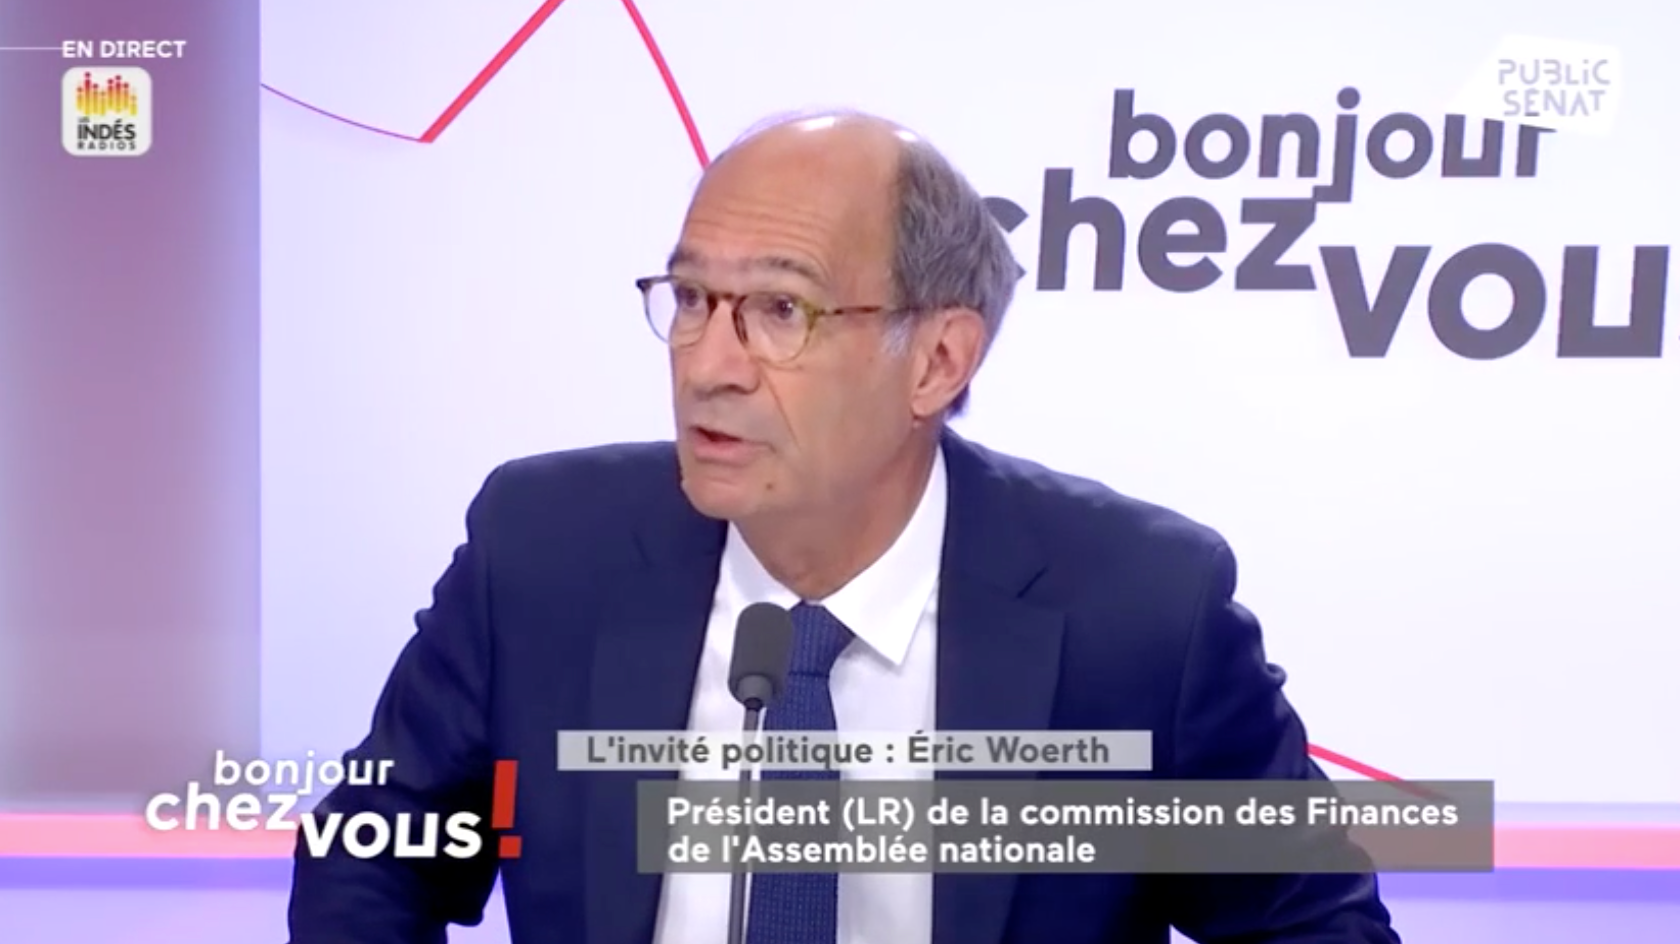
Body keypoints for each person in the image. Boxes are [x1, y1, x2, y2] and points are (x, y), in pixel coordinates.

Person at [287, 110, 1399, 944]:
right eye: (690, 300)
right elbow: (371, 852)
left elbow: (1314, 925)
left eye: (782, 310)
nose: (709, 365)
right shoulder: (542, 552)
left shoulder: (1141, 611)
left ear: (939, 360)